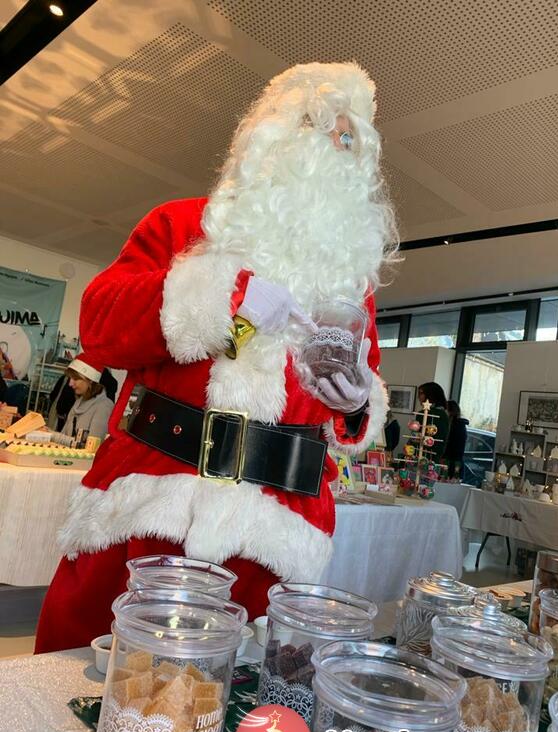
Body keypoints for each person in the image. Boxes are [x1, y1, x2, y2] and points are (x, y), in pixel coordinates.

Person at [34, 62, 398, 653]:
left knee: (233, 713)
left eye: (349, 136)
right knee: (80, 695)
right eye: (317, 124)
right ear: (273, 135)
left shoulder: (349, 287)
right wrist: (223, 294)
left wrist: (357, 403)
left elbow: (357, 397)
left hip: (273, 541)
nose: (335, 144)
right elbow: (98, 324)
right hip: (146, 515)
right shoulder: (183, 225)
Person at [50, 354, 114, 446]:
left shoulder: (104, 406)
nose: (70, 384)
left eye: (75, 379)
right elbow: (64, 436)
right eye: (70, 378)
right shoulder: (79, 401)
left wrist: (53, 435)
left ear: (90, 380)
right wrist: (48, 433)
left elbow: (91, 447)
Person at [417, 382, 449, 459]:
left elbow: (418, 437)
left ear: (430, 395)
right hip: (436, 455)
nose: (419, 397)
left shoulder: (425, 414)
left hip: (424, 455)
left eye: (421, 393)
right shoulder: (444, 414)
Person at [445, 400, 469, 481]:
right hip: (457, 463)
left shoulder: (453, 426)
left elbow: (451, 446)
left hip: (450, 463)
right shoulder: (461, 425)